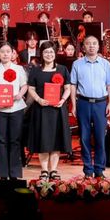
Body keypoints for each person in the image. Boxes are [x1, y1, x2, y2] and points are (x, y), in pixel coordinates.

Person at [69, 35, 110, 178]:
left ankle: (99, 169)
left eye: (94, 43)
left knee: (100, 137)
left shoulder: (105, 64)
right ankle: (88, 170)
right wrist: (73, 105)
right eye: (88, 43)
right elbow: (73, 85)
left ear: (98, 46)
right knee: (84, 137)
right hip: (83, 103)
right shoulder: (77, 64)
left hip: (101, 104)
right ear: (83, 47)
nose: (91, 46)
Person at [26, 41, 71, 181]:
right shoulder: (35, 70)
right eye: (46, 52)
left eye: (51, 52)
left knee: (56, 140)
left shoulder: (62, 69)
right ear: (41, 54)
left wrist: (63, 100)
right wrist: (38, 100)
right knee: (43, 140)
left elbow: (68, 88)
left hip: (57, 110)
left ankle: (54, 170)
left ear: (55, 53)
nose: (49, 54)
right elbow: (31, 89)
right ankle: (44, 170)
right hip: (41, 109)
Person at [0, 42, 28, 179]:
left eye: (8, 51)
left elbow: (24, 85)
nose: (5, 54)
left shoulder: (19, 69)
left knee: (15, 140)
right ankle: (2, 172)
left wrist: (19, 95)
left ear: (13, 54)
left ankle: (14, 172)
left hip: (16, 107)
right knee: (1, 140)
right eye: (2, 51)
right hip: (0, 108)